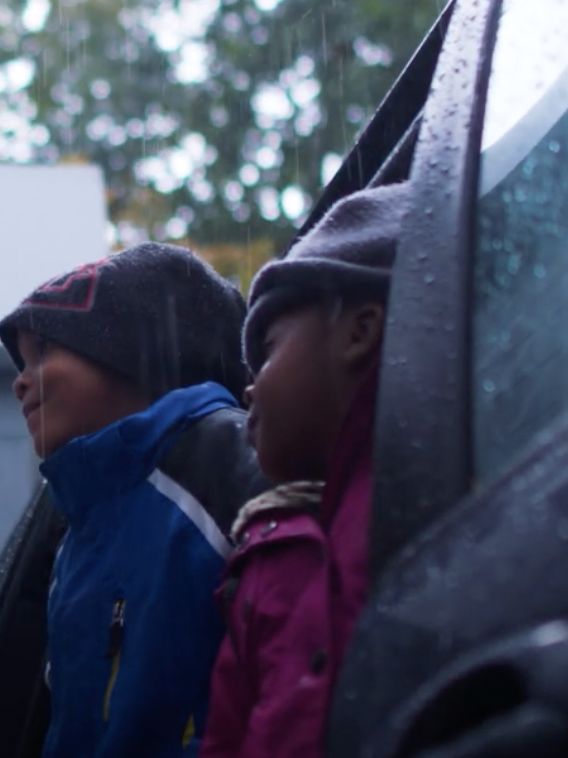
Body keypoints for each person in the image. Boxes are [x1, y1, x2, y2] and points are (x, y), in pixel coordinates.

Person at [0, 243, 268, 758]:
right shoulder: (76, 525)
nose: (19, 381)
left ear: (136, 353)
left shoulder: (228, 463)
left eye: (45, 351)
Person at [200, 183, 409, 758]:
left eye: (267, 349)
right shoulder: (262, 555)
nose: (250, 385)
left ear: (359, 332)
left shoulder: (439, 498)